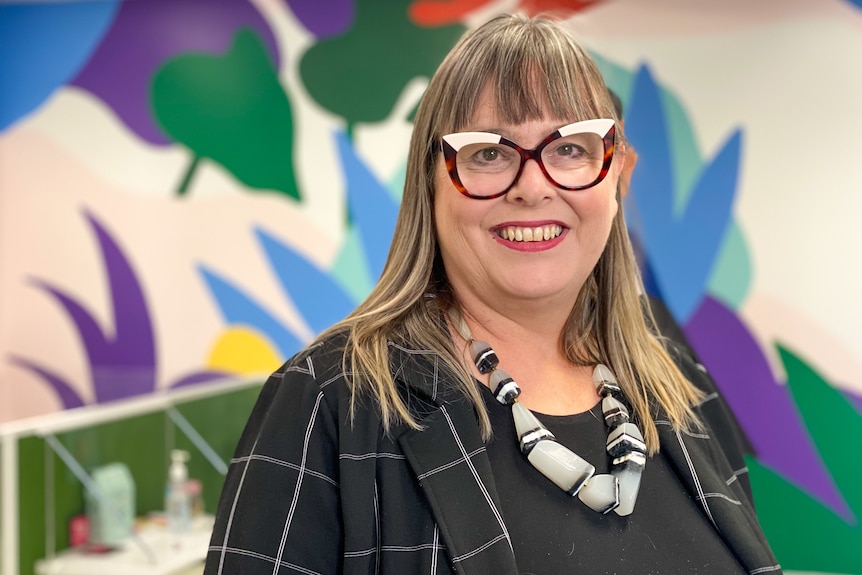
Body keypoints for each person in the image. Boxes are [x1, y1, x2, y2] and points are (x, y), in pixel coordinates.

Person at [204, 13, 781, 575]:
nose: (532, 187)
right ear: (429, 185)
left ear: (613, 178)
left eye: (570, 149)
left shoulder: (677, 385)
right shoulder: (331, 400)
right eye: (488, 153)